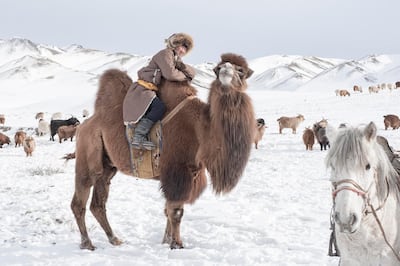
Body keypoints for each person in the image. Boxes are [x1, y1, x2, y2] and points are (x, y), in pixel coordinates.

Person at [123, 33, 195, 150]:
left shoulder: (174, 59)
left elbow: (193, 73)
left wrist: (181, 66)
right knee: (159, 107)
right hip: (143, 90)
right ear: (174, 44)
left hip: (152, 90)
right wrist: (184, 76)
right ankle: (138, 137)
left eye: (185, 48)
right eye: (181, 45)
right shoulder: (165, 54)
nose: (182, 50)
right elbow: (170, 74)